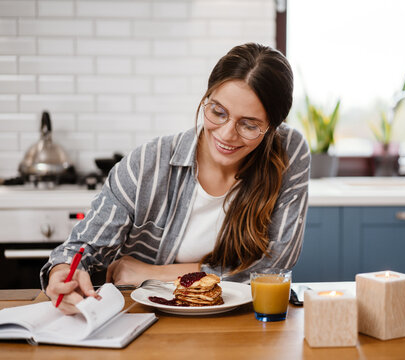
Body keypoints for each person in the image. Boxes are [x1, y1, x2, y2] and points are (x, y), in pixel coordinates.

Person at [41, 43, 311, 314]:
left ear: (271, 128)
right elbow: (81, 247)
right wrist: (63, 271)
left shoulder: (288, 151)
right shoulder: (147, 163)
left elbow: (272, 269)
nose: (227, 134)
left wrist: (154, 273)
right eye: (218, 112)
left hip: (244, 326)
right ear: (207, 98)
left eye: (249, 125)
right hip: (149, 324)